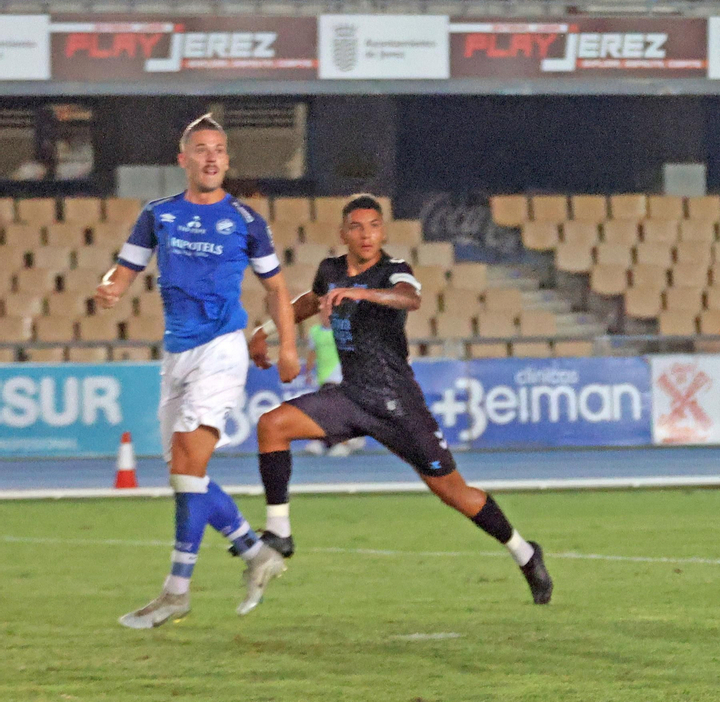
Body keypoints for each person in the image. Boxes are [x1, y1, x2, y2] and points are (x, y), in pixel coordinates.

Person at [248, 195, 553, 605]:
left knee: (455, 493)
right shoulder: (331, 271)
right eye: (357, 227)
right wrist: (265, 331)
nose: (366, 234)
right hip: (353, 396)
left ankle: (524, 552)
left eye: (374, 226)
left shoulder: (395, 272)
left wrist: (364, 295)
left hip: (398, 405)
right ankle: (280, 531)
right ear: (343, 233)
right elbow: (307, 302)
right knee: (272, 425)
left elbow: (410, 298)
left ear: (383, 231)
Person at [95, 115, 299, 629]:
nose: (211, 158)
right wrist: (112, 287)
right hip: (177, 355)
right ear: (183, 159)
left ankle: (176, 592)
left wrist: (289, 347)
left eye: (219, 150)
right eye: (201, 150)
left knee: (188, 468)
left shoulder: (246, 221)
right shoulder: (157, 214)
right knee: (187, 477)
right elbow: (126, 266)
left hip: (222, 350)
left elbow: (276, 289)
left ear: (227, 161)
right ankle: (254, 552)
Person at [301, 319, 364, 456]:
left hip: (340, 375)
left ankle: (344, 442)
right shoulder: (315, 331)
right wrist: (308, 371)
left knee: (337, 410)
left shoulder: (344, 328)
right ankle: (328, 440)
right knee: (325, 411)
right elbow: (312, 352)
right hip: (323, 376)